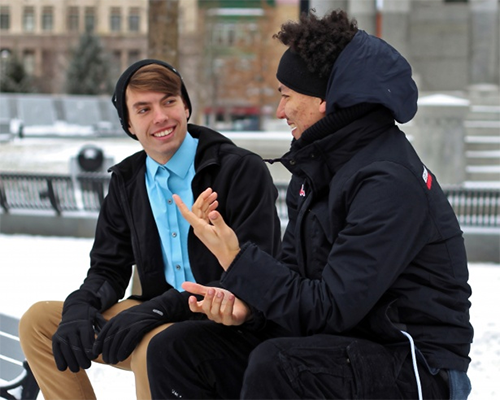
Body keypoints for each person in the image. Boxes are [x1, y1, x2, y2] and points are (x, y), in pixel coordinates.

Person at [147, 10, 473, 400]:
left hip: (416, 366)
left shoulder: (387, 181)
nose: (280, 110)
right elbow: (297, 278)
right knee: (178, 350)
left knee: (281, 364)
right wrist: (248, 308)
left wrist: (236, 259)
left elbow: (331, 307)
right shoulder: (319, 168)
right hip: (342, 344)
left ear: (325, 100)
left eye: (286, 95)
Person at [18, 59, 282, 400]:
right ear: (129, 123)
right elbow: (107, 268)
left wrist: (157, 310)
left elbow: (256, 276)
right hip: (154, 313)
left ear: (186, 106)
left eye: (168, 102)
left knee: (154, 346)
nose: (160, 117)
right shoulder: (128, 182)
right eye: (143, 109)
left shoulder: (239, 170)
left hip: (225, 320)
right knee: (39, 322)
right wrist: (81, 306)